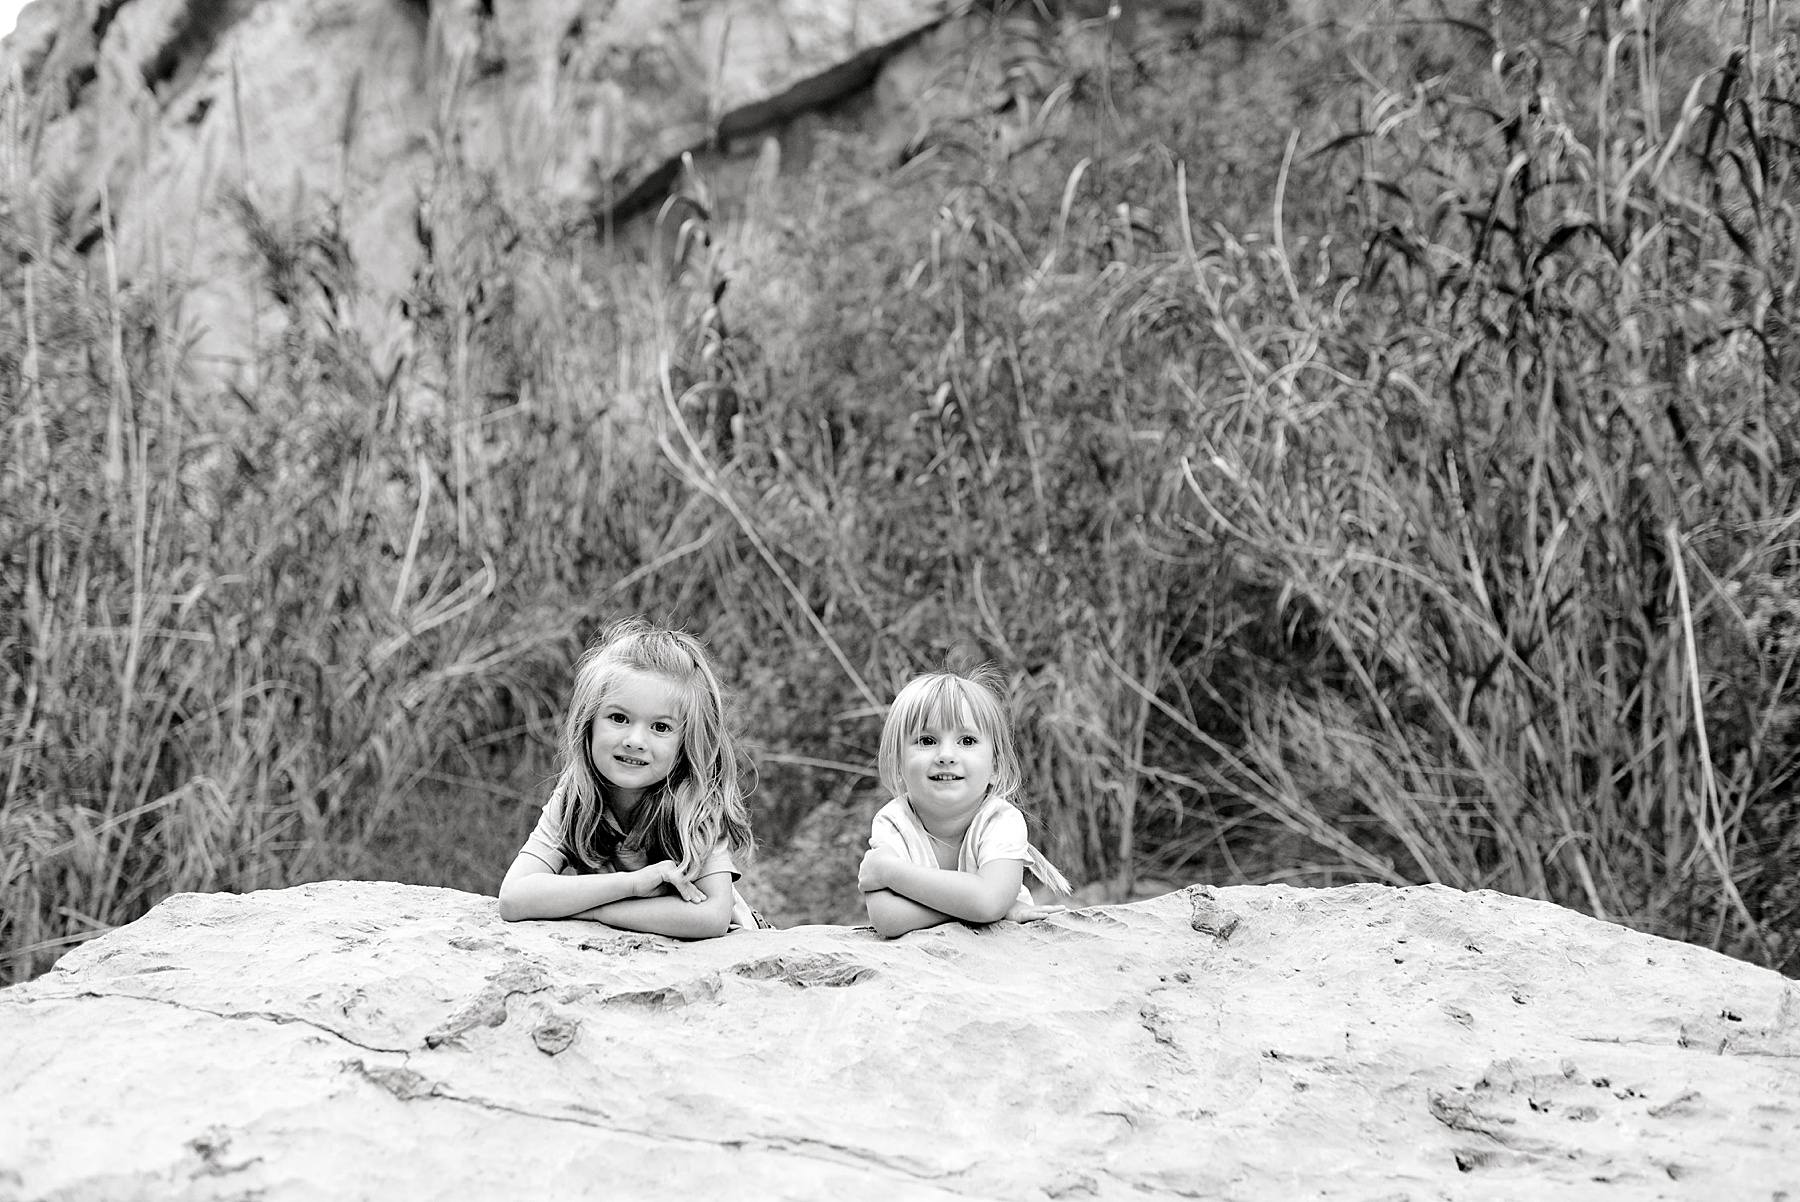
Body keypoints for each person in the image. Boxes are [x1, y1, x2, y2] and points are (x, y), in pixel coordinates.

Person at [499, 617, 760, 938]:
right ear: (588, 723)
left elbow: (712, 916)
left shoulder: (695, 800)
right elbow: (514, 897)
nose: (636, 740)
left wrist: (593, 910)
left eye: (660, 727)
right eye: (619, 718)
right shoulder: (577, 794)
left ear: (685, 743)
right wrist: (632, 885)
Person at [858, 667, 1072, 938]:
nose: (946, 755)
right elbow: (887, 919)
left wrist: (891, 872)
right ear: (899, 763)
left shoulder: (1001, 820)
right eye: (927, 740)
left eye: (967, 740)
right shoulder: (894, 822)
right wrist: (984, 908)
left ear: (995, 766)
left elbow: (989, 901)